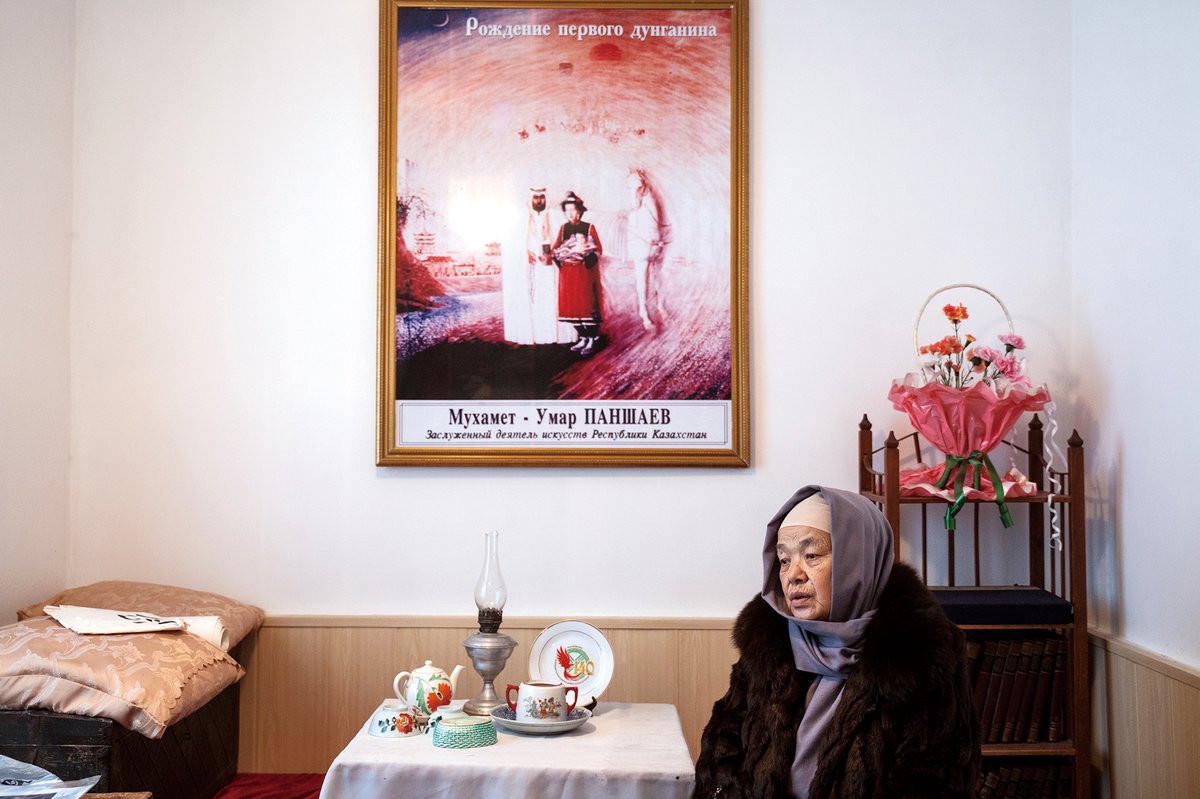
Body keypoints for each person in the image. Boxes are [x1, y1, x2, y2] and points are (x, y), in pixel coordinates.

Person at [694, 486, 980, 799]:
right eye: (784, 560)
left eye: (811, 555)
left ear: (857, 559)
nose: (793, 575)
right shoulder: (767, 645)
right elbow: (722, 752)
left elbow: (939, 780)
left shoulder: (921, 655)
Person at [552, 191, 604, 356]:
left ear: (580, 211)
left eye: (573, 210)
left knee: (586, 305)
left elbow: (598, 250)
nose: (570, 214)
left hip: (584, 273)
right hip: (568, 274)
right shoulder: (563, 229)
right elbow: (555, 249)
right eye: (567, 211)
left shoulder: (589, 227)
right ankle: (582, 337)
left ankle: (591, 339)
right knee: (571, 307)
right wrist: (562, 256)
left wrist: (585, 255)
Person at [626, 169, 670, 330]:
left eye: (637, 187)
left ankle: (660, 305)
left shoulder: (649, 199)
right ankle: (643, 312)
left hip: (654, 239)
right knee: (641, 276)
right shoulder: (635, 208)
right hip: (640, 241)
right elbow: (633, 204)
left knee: (658, 274)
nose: (633, 192)